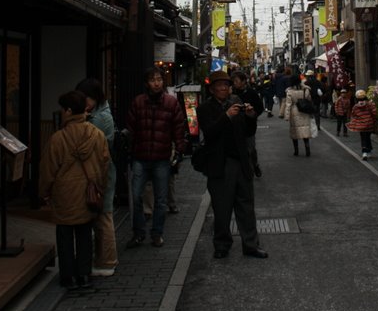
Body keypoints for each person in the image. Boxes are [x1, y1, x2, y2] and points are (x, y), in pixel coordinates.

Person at [39, 89, 110, 293]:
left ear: (69, 111)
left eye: (63, 109)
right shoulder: (97, 135)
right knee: (85, 234)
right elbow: (105, 164)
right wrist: (100, 188)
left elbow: (48, 169)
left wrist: (44, 192)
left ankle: (68, 277)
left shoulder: (58, 138)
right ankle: (84, 275)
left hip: (64, 193)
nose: (62, 113)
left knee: (64, 234)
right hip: (88, 192)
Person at [196, 71, 267, 260]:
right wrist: (226, 116)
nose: (223, 89)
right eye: (219, 86)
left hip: (241, 162)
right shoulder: (205, 108)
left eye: (226, 85)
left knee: (246, 206)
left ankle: (251, 245)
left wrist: (251, 116)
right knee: (222, 207)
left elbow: (248, 132)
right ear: (211, 89)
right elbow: (209, 133)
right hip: (220, 164)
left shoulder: (236, 101)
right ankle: (221, 245)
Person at [126, 67, 186, 248]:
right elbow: (131, 128)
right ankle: (138, 233)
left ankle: (157, 233)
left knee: (160, 200)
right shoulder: (138, 103)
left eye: (159, 79)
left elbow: (178, 128)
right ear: (147, 83)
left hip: (161, 157)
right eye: (153, 80)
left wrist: (179, 151)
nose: (157, 83)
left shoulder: (170, 103)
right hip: (140, 156)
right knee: (136, 197)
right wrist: (130, 150)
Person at [76, 77, 118, 277]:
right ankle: (104, 259)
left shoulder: (100, 118)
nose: (84, 103)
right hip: (99, 172)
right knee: (101, 216)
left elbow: (88, 147)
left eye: (86, 99)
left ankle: (107, 261)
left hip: (102, 173)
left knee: (103, 216)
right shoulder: (98, 113)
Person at [231, 69, 264, 177]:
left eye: (236, 81)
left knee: (250, 149)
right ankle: (244, 170)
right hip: (234, 126)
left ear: (244, 81)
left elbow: (260, 107)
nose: (234, 83)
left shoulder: (251, 93)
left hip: (248, 126)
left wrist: (252, 114)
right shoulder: (231, 93)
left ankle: (254, 165)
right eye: (233, 81)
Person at [285, 79, 314, 157]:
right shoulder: (305, 89)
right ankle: (307, 150)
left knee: (295, 132)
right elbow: (309, 99)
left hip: (294, 112)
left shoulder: (290, 91)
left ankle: (296, 151)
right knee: (305, 131)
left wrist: (286, 116)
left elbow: (288, 104)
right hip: (304, 111)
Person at [348, 89, 377, 159]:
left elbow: (353, 115)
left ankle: (364, 152)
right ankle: (369, 150)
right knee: (368, 137)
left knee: (363, 138)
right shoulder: (370, 104)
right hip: (369, 124)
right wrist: (373, 121)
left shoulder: (355, 107)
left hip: (361, 125)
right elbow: (374, 113)